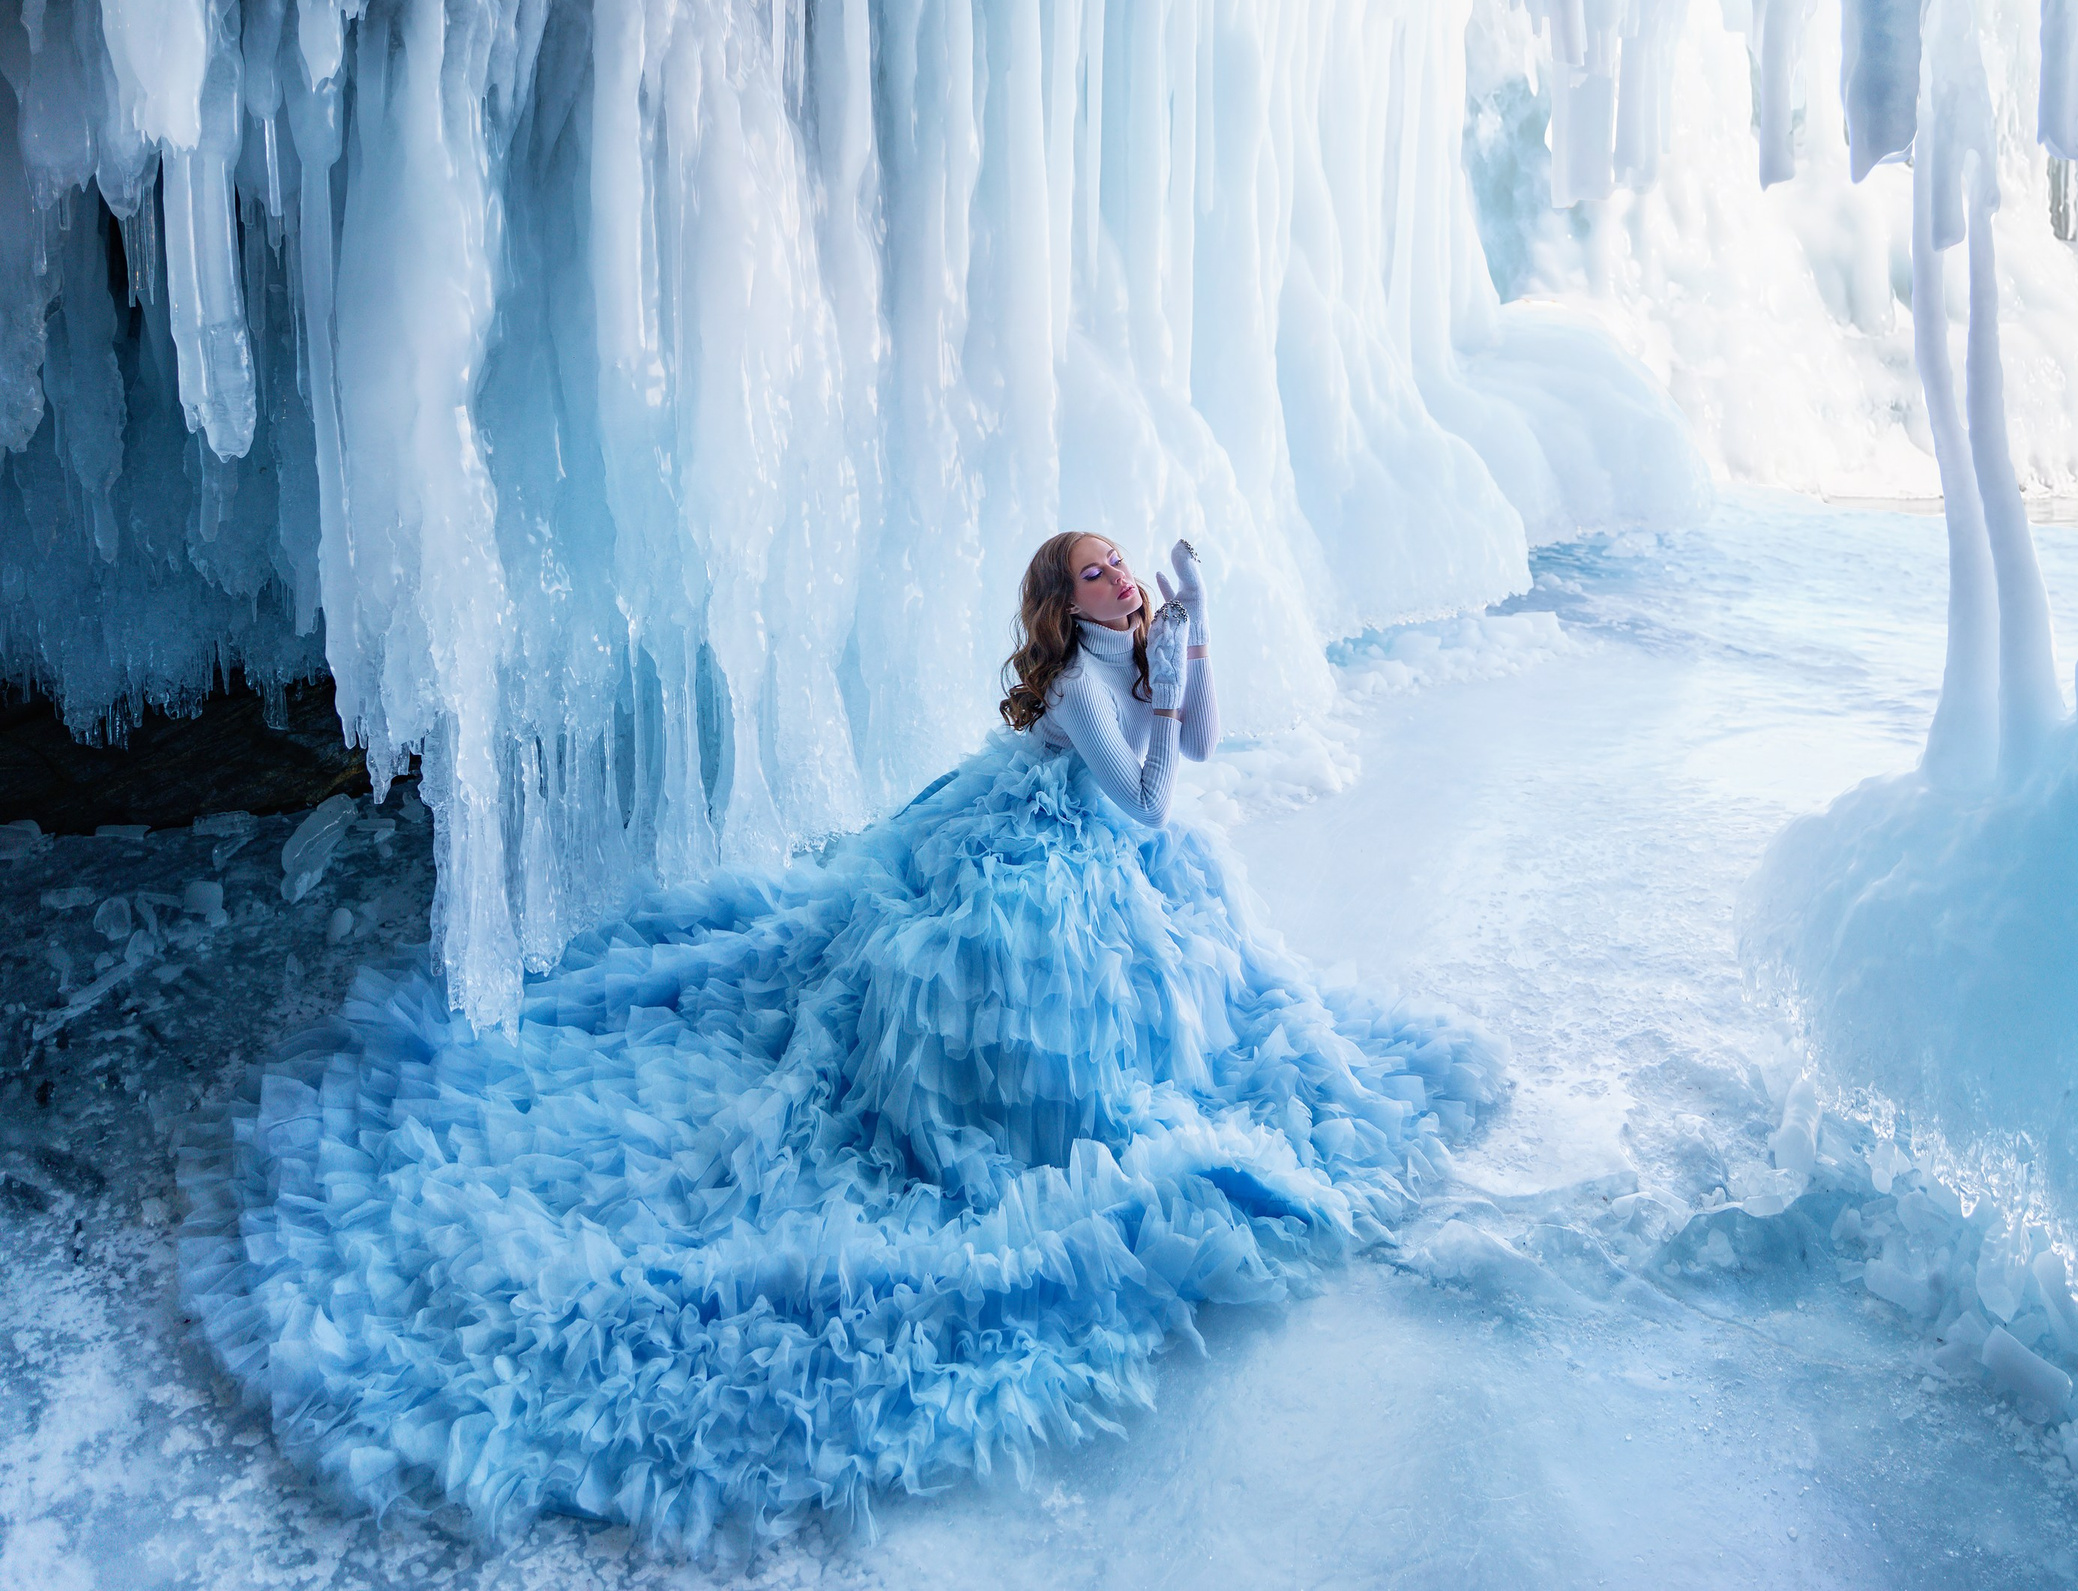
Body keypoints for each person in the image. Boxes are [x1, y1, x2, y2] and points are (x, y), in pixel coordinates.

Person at [182, 531, 1501, 1551]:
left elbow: (1195, 747)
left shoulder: (1132, 662)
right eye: (1099, 574)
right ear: (1068, 607)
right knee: (921, 1018)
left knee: (1197, 992)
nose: (1121, 580)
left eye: (1123, 568)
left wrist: (1195, 641)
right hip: (1030, 867)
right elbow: (1148, 795)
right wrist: (1164, 676)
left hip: (1105, 862)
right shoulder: (1080, 695)